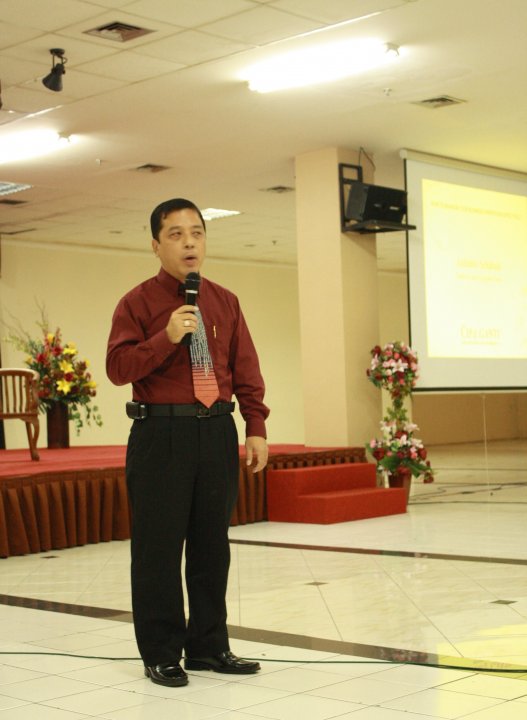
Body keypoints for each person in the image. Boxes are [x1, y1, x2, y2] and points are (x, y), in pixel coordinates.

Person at [106, 197, 269, 687]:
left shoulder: (225, 301)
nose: (189, 242)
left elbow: (245, 368)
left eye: (196, 232)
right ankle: (161, 652)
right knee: (157, 549)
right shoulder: (136, 303)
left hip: (216, 430)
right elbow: (118, 368)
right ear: (156, 245)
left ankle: (209, 647)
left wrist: (255, 426)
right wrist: (166, 337)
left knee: (211, 546)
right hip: (161, 434)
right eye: (175, 234)